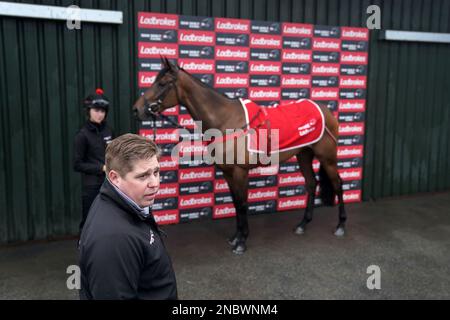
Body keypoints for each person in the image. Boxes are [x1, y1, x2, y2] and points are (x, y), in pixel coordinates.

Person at [78, 133, 178, 300]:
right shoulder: (113, 239)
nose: (155, 183)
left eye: (156, 172)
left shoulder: (126, 199)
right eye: (143, 176)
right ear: (115, 178)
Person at [73, 88, 114, 233]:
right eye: (96, 110)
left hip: (110, 184)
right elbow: (77, 164)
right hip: (91, 187)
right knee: (89, 222)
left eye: (102, 111)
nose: (99, 114)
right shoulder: (82, 135)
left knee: (109, 220)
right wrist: (101, 168)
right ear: (88, 110)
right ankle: (83, 250)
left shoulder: (108, 130)